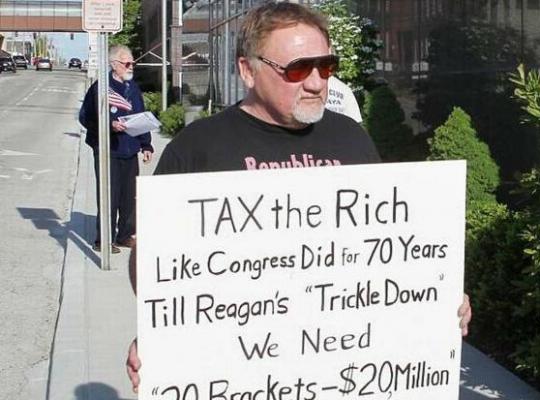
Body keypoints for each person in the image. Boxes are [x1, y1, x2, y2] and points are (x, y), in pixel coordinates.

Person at [126, 2, 471, 392]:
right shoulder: (196, 148)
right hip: (240, 374)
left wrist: (434, 298)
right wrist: (161, 333)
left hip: (341, 370)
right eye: (297, 69)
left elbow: (385, 251)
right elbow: (154, 262)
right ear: (247, 70)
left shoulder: (351, 138)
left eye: (325, 67)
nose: (316, 83)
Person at [79, 44, 153, 253]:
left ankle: (125, 235)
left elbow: (140, 116)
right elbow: (86, 117)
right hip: (107, 150)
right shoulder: (100, 88)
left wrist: (146, 144)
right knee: (109, 195)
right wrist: (109, 125)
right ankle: (104, 240)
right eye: (127, 63)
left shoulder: (133, 88)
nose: (131, 66)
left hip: (130, 149)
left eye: (132, 63)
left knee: (129, 196)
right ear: (114, 64)